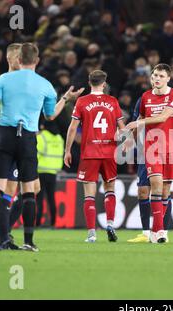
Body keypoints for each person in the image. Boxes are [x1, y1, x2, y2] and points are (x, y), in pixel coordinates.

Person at [0, 43, 68, 252]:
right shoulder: (45, 85)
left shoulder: (3, 79)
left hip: (5, 135)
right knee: (29, 191)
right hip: (27, 137)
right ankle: (28, 241)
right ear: (37, 61)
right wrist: (65, 99)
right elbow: (50, 115)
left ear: (19, 60)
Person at [64, 70, 125, 243]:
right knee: (110, 189)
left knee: (89, 195)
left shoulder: (82, 101)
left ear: (90, 83)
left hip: (89, 153)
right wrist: (127, 143)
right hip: (109, 153)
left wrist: (67, 150)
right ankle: (111, 225)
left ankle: (91, 233)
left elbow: (72, 128)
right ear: (104, 84)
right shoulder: (112, 101)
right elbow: (123, 128)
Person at [126, 64, 173, 243]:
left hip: (172, 148)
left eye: (160, 76)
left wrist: (138, 123)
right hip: (152, 148)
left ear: (168, 78)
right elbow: (139, 118)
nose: (156, 79)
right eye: (154, 76)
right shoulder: (145, 97)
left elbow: (163, 117)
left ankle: (159, 231)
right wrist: (131, 139)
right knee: (156, 186)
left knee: (166, 191)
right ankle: (157, 232)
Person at [36, 120, 64, 228]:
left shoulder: (42, 136)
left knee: (40, 198)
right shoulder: (59, 138)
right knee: (51, 198)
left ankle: (37, 222)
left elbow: (37, 153)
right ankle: (53, 223)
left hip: (41, 171)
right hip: (53, 172)